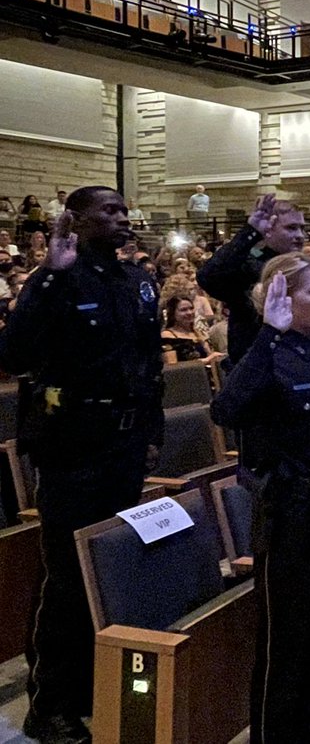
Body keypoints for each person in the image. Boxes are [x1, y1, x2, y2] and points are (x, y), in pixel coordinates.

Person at [0, 186, 163, 744]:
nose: (121, 218)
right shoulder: (57, 277)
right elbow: (13, 356)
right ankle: (49, 704)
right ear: (76, 219)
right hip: (71, 447)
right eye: (108, 211)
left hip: (124, 445)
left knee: (107, 567)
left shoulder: (137, 280)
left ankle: (93, 683)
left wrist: (152, 434)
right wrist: (46, 274)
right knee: (66, 578)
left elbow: (146, 363)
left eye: (124, 210)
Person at [212, 253, 310, 744]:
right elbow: (227, 409)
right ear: (281, 298)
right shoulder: (267, 353)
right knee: (287, 650)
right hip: (291, 522)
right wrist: (268, 334)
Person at [196, 193, 307, 364]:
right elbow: (207, 277)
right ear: (268, 230)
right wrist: (251, 231)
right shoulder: (247, 265)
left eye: (302, 228)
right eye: (291, 228)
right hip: (256, 367)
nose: (300, 235)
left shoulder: (305, 268)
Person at [160, 295, 224, 365]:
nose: (189, 312)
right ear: (173, 313)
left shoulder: (198, 333)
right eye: (183, 310)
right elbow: (171, 365)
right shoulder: (167, 335)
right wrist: (206, 360)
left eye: (191, 308)